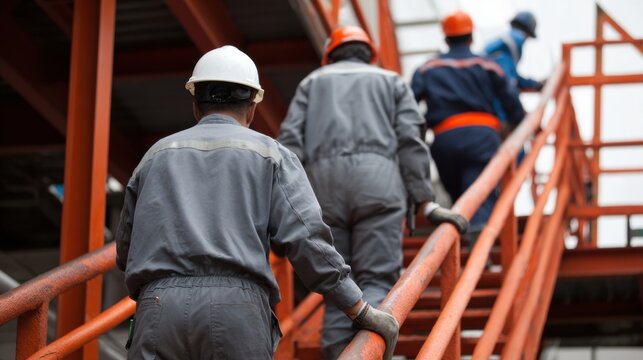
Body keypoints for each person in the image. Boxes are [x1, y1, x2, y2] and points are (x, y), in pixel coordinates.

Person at [115, 45, 399, 360]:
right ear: (252, 107)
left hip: (157, 310)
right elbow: (307, 238)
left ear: (196, 105)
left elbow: (125, 250)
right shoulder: (271, 155)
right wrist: (356, 307)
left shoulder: (154, 156)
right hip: (237, 310)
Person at [278, 26, 468, 359]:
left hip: (323, 193)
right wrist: (424, 198)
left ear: (330, 54)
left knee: (336, 285)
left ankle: (341, 354)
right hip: (380, 188)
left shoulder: (311, 83)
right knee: (377, 279)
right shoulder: (391, 81)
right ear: (370, 54)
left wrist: (282, 208)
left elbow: (290, 146)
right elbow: (411, 140)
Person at [411, 11, 525, 243]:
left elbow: (409, 106)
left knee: (459, 196)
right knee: (478, 196)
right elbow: (511, 101)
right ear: (471, 37)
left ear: (445, 39)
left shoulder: (428, 68)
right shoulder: (487, 65)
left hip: (444, 141)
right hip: (481, 138)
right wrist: (517, 122)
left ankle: (463, 240)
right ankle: (477, 247)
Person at [483, 11, 544, 92]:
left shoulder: (498, 47)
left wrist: (534, 84)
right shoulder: (510, 48)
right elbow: (507, 86)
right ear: (527, 34)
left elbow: (514, 78)